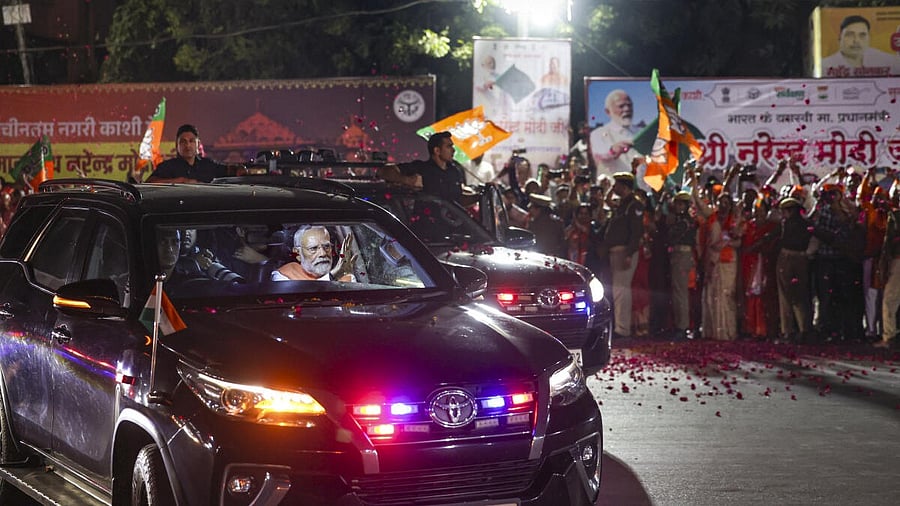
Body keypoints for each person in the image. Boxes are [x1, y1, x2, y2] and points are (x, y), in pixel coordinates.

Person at [378, 132, 476, 207]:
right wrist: (407, 180)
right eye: (449, 146)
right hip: (427, 227)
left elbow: (458, 200)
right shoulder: (421, 168)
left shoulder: (454, 171)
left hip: (451, 226)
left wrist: (479, 197)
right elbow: (383, 171)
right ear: (437, 150)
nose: (453, 150)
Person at [604, 172, 645, 338]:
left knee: (621, 290)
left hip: (625, 251)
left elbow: (636, 232)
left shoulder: (633, 205)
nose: (615, 187)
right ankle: (620, 326)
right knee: (618, 290)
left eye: (617, 184)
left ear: (625, 186)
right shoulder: (622, 204)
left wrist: (629, 253)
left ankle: (622, 328)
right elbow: (607, 202)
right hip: (616, 251)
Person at [776, 198, 812, 343]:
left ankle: (788, 331)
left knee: (786, 295)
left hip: (787, 258)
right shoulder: (806, 224)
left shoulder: (786, 225)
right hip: (802, 259)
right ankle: (803, 329)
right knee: (800, 295)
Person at [666, 191, 698, 339]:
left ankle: (682, 326)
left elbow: (672, 235)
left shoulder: (685, 221)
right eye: (677, 203)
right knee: (678, 291)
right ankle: (680, 325)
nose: (678, 206)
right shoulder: (682, 219)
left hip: (682, 254)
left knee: (680, 292)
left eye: (681, 204)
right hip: (678, 254)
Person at [821, 15, 900, 77]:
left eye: (862, 35)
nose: (856, 41)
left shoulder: (880, 58)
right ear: (840, 37)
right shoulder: (825, 66)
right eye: (850, 35)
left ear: (869, 38)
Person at [147, 124, 229, 183]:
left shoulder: (208, 165)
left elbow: (229, 171)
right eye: (183, 142)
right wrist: (180, 181)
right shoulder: (167, 167)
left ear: (198, 144)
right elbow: (149, 182)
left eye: (191, 141)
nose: (187, 145)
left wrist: (239, 169)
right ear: (177, 145)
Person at [273, 226, 356, 281]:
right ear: (298, 254)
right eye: (313, 248)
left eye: (326, 246)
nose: (323, 253)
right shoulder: (284, 275)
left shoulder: (346, 277)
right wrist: (332, 276)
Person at [590, 90, 641, 176]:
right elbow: (600, 153)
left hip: (642, 187)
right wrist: (613, 150)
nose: (627, 109)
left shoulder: (640, 131)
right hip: (614, 186)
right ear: (608, 111)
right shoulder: (598, 134)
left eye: (629, 105)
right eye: (621, 106)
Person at [526, 193, 566, 257]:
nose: (530, 211)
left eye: (532, 208)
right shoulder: (557, 221)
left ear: (539, 209)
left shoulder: (536, 223)